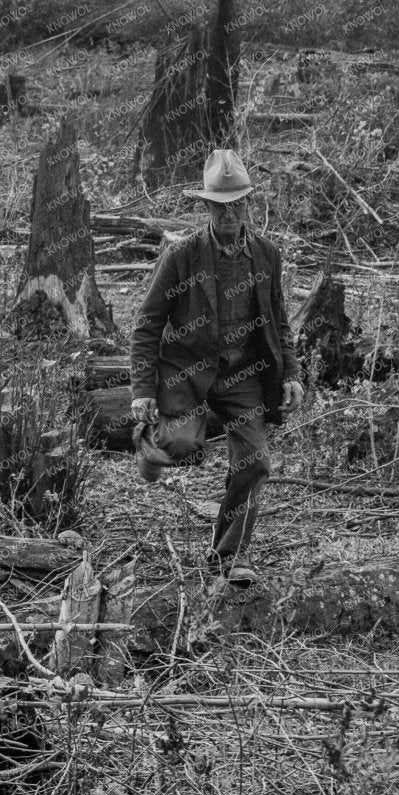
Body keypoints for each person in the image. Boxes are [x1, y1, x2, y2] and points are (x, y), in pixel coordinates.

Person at [128, 148, 302, 580]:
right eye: (219, 206)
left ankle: (229, 556)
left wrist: (293, 373)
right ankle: (152, 441)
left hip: (244, 378)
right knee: (182, 444)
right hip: (187, 374)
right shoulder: (183, 255)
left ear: (248, 204)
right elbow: (148, 323)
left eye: (237, 204)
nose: (229, 214)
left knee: (256, 463)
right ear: (206, 206)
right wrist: (143, 391)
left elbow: (278, 318)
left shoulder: (266, 254)